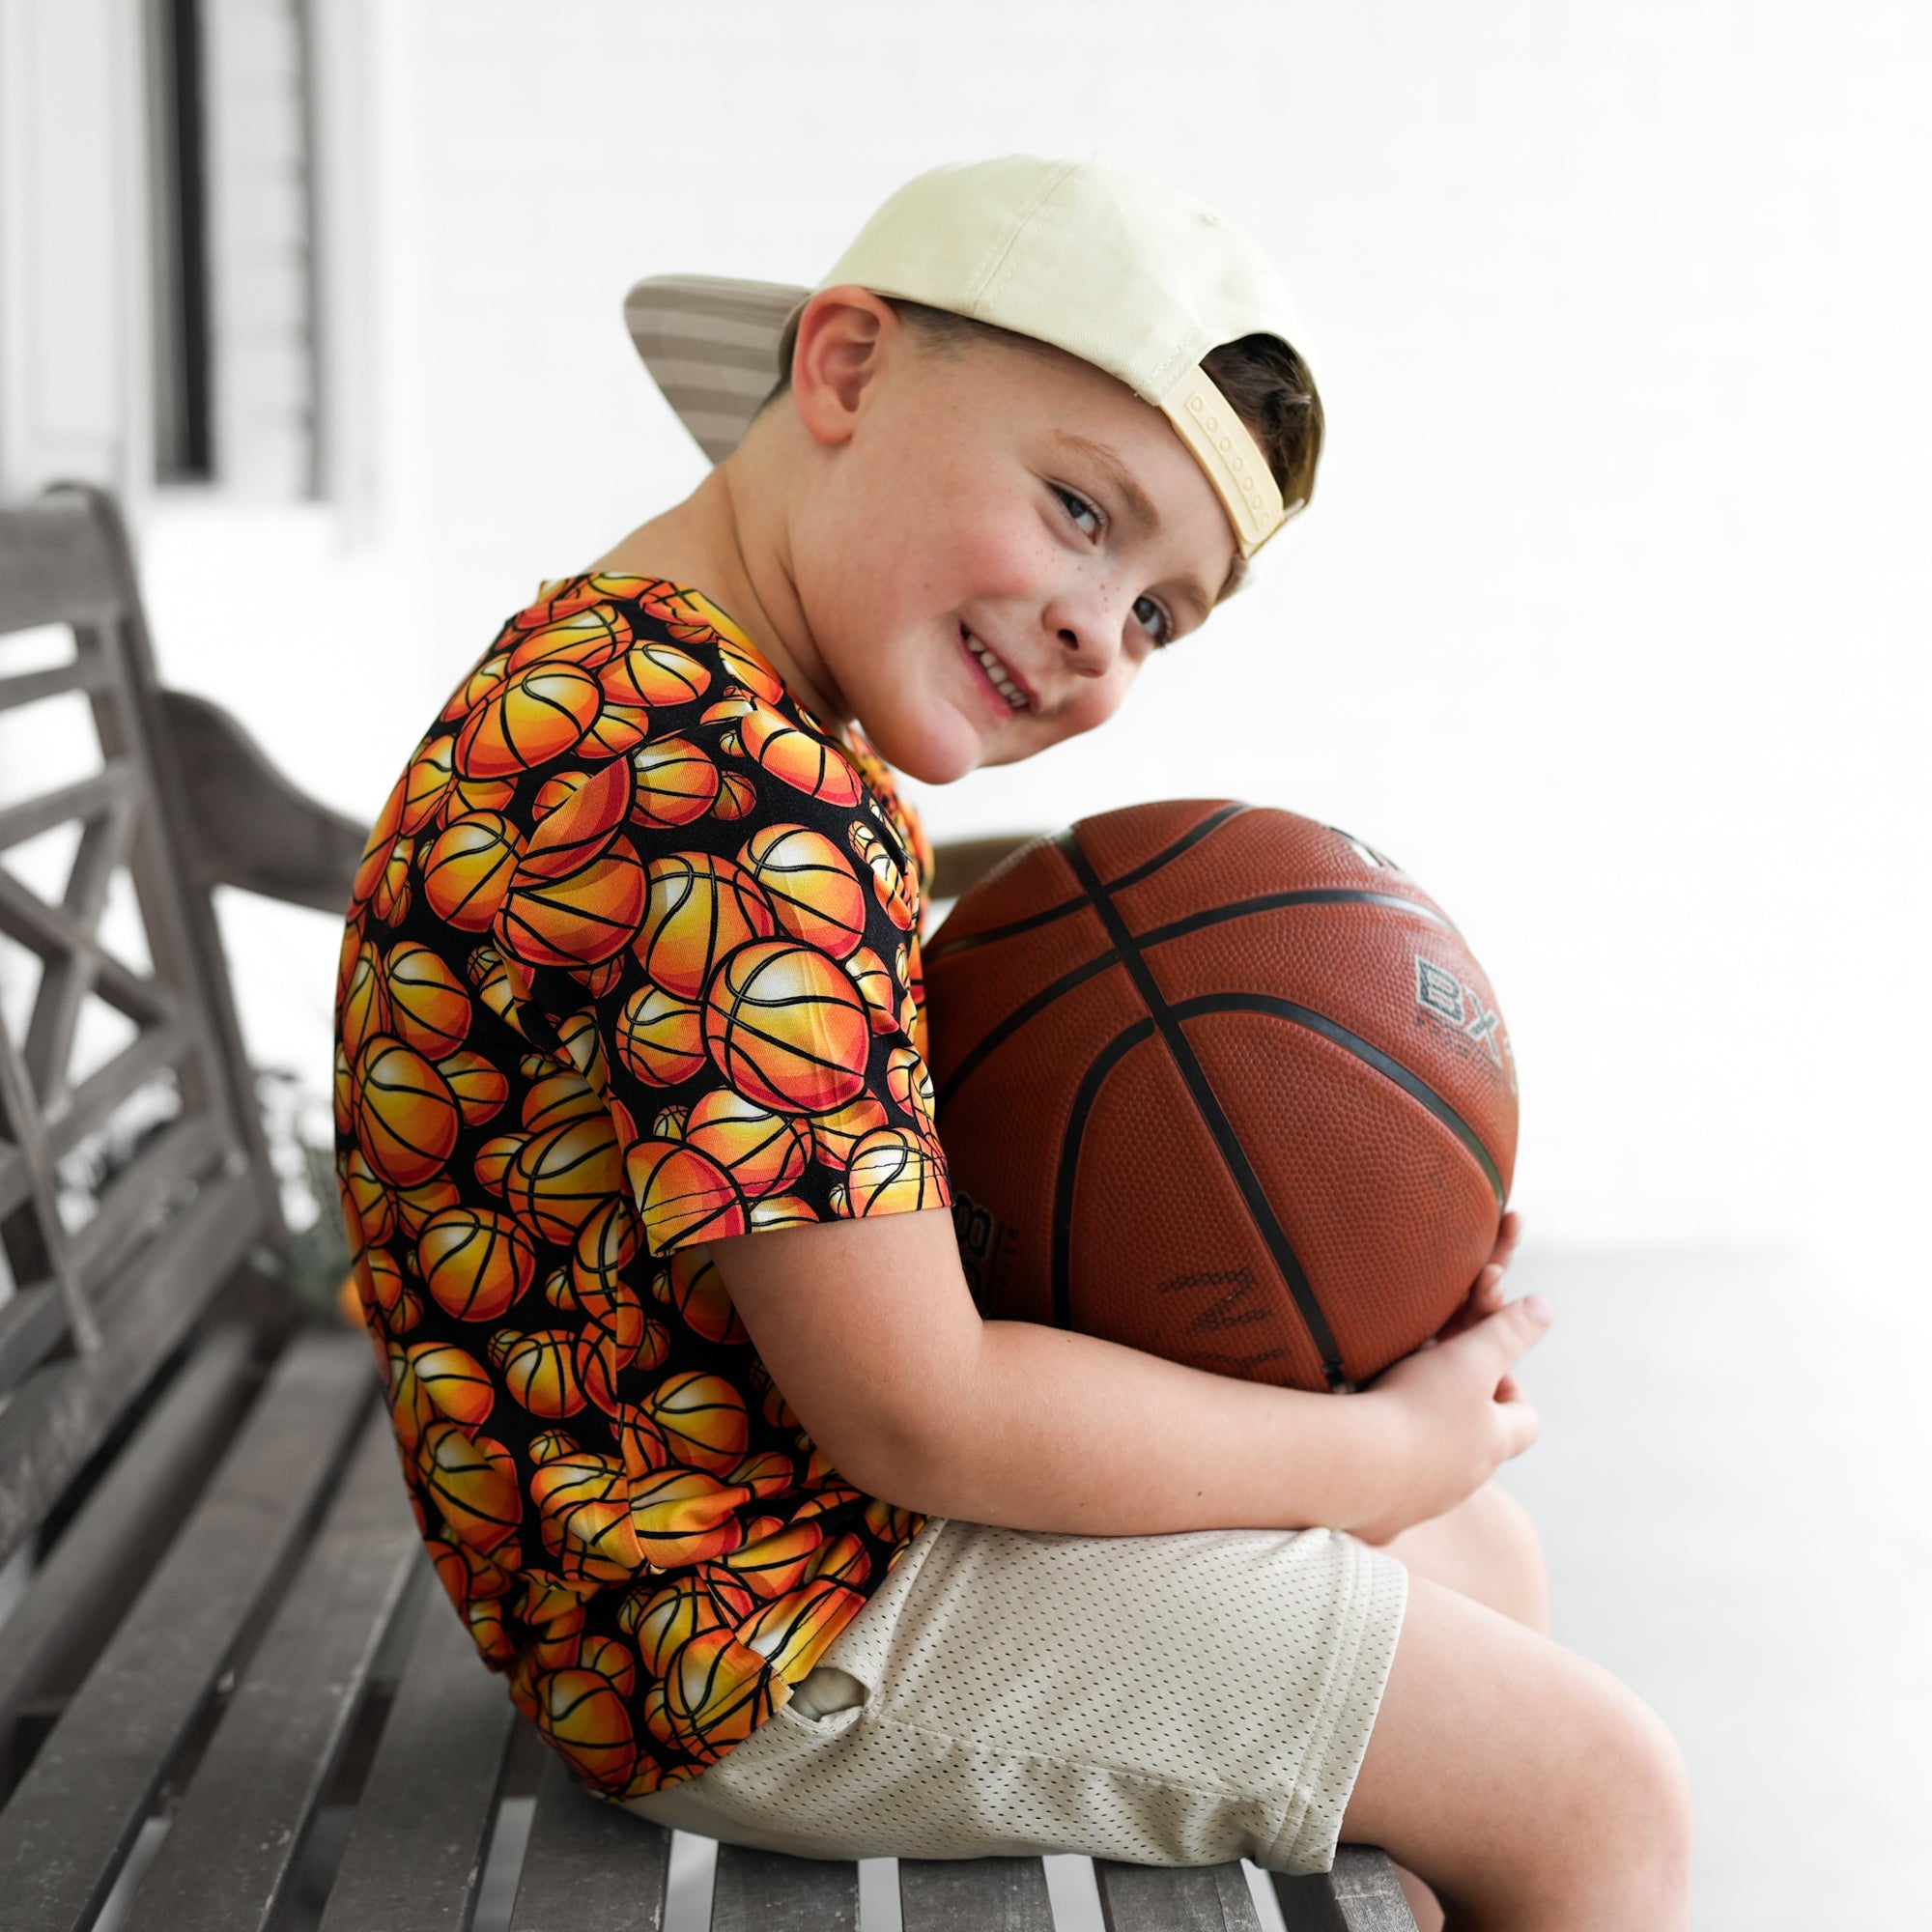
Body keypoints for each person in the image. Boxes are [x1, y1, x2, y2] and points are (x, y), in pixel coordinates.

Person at [335, 156, 1690, 1929]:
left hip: (675, 1558)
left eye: (1156, 616)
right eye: (1078, 509)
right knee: (1596, 1794)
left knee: (1472, 1552)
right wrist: (1379, 1448)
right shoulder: (734, 799)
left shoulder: (641, 682)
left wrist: (1346, 1305)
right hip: (751, 1633)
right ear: (843, 369)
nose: (1094, 633)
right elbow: (924, 1412)